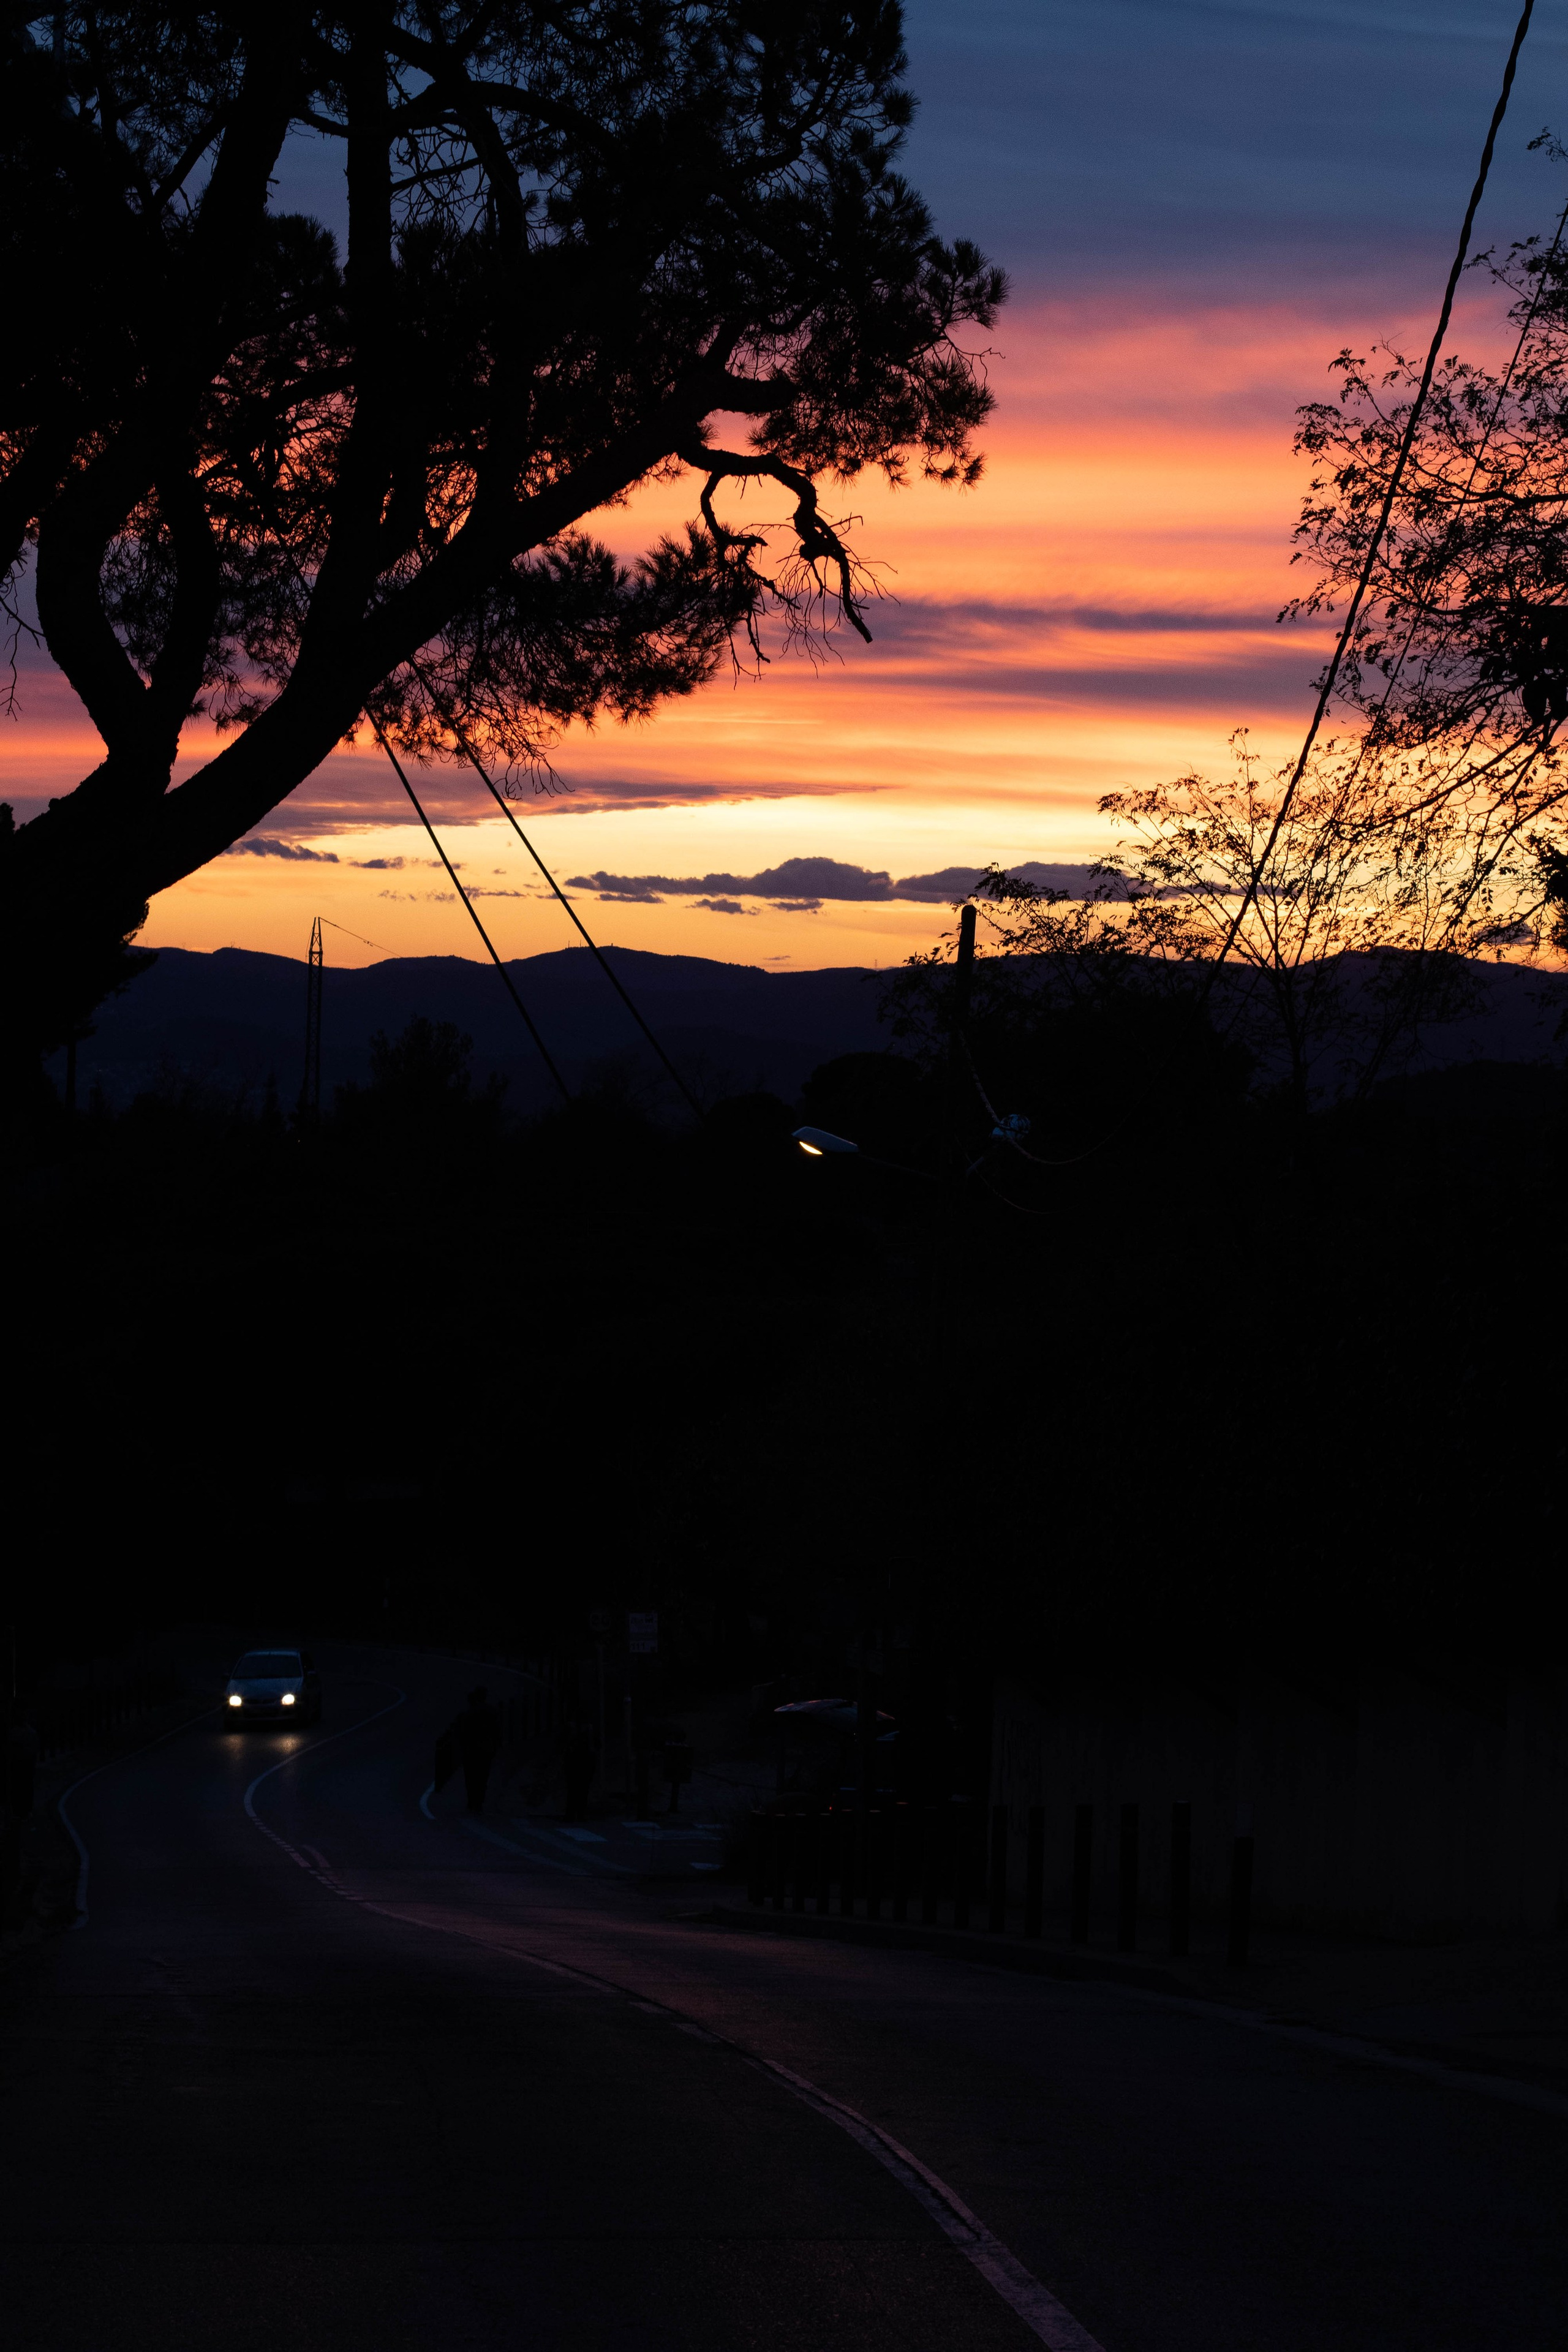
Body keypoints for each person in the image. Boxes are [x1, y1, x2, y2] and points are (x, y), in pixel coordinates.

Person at [449, 1686, 502, 1815]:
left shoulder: (468, 1714)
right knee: (483, 1776)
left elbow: (461, 1733)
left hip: (471, 1750)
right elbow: (497, 1731)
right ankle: (478, 1801)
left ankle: (473, 1800)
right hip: (486, 1749)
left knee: (471, 1776)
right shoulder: (491, 1711)